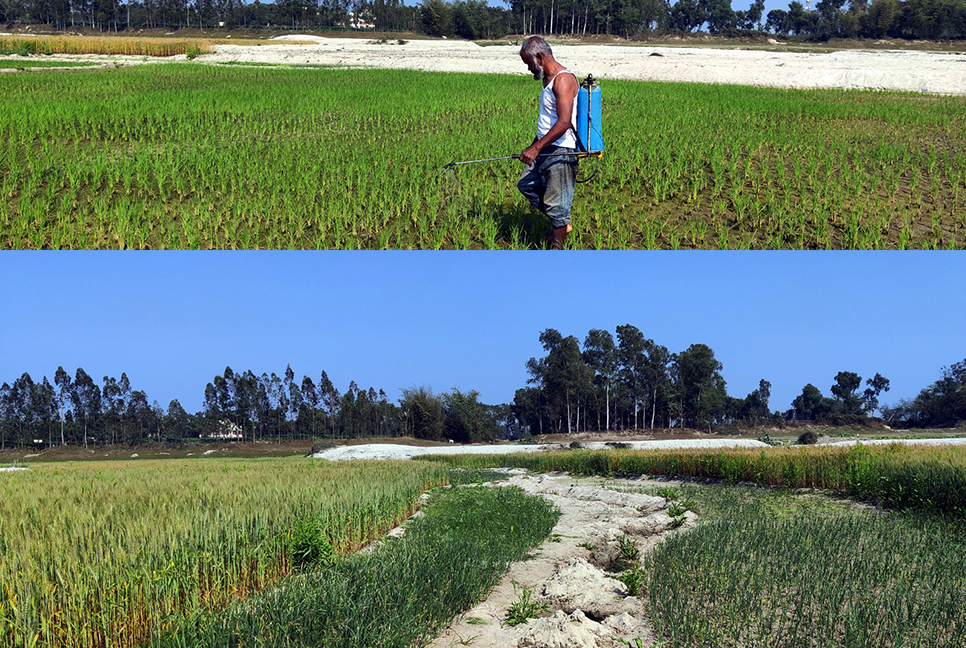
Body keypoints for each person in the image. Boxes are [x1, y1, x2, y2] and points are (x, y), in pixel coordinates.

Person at [517, 36, 580, 250]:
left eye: (529, 63)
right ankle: (560, 224)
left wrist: (536, 148)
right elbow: (547, 121)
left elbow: (564, 122)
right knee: (526, 184)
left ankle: (557, 247)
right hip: (546, 148)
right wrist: (533, 146)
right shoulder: (548, 79)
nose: (529, 69)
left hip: (561, 152)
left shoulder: (563, 80)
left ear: (540, 57)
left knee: (557, 205)